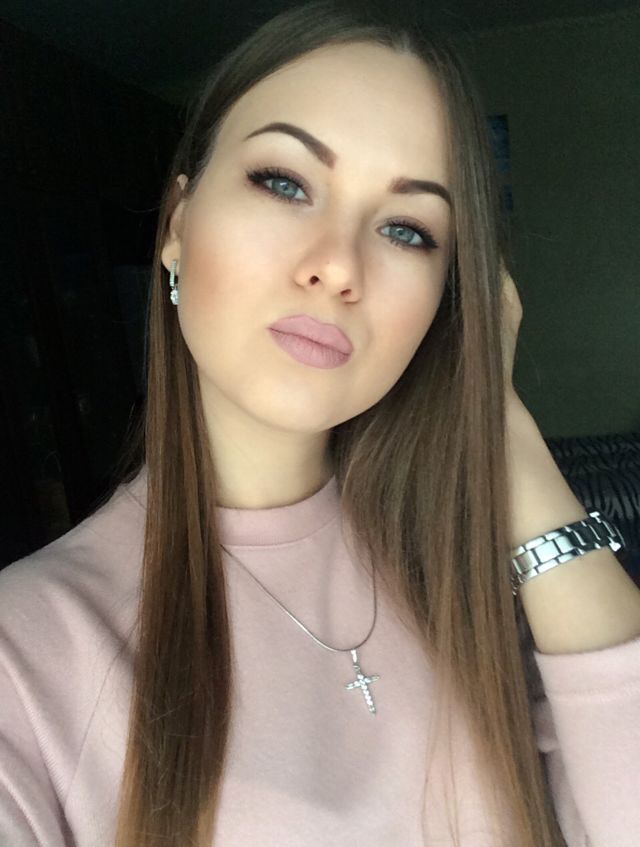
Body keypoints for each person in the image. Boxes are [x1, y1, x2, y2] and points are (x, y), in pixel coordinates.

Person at [1, 1, 639, 845]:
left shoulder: (477, 577)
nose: (338, 266)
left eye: (407, 229)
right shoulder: (26, 656)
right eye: (284, 182)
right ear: (178, 224)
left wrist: (499, 419)